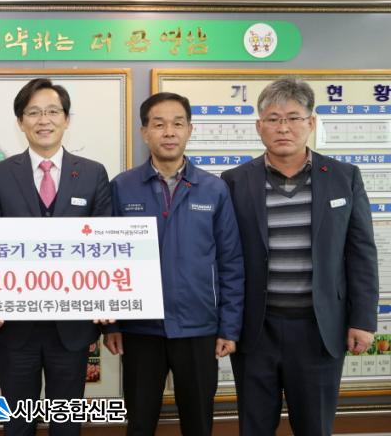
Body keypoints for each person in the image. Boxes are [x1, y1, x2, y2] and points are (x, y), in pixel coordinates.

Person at [221, 76, 379, 435]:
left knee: (315, 427)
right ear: (259, 126)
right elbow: (225, 259)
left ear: (311, 122)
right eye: (273, 119)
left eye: (293, 117)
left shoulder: (343, 177)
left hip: (319, 330)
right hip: (255, 330)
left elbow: (361, 254)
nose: (283, 128)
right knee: (254, 426)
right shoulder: (233, 181)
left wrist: (363, 319)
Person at [104, 92, 244, 436]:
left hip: (198, 328)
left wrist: (228, 327)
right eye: (159, 124)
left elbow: (231, 262)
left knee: (198, 423)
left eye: (177, 123)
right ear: (144, 132)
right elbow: (108, 258)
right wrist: (112, 324)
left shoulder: (214, 189)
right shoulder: (122, 187)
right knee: (140, 423)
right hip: (140, 329)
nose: (169, 132)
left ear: (189, 130)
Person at [0, 78, 112, 435]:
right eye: (33, 112)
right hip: (14, 327)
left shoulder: (93, 173)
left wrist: (107, 301)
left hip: (72, 327)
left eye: (53, 111)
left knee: (66, 424)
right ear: (20, 121)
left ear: (66, 119)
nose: (44, 120)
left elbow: (106, 246)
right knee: (17, 423)